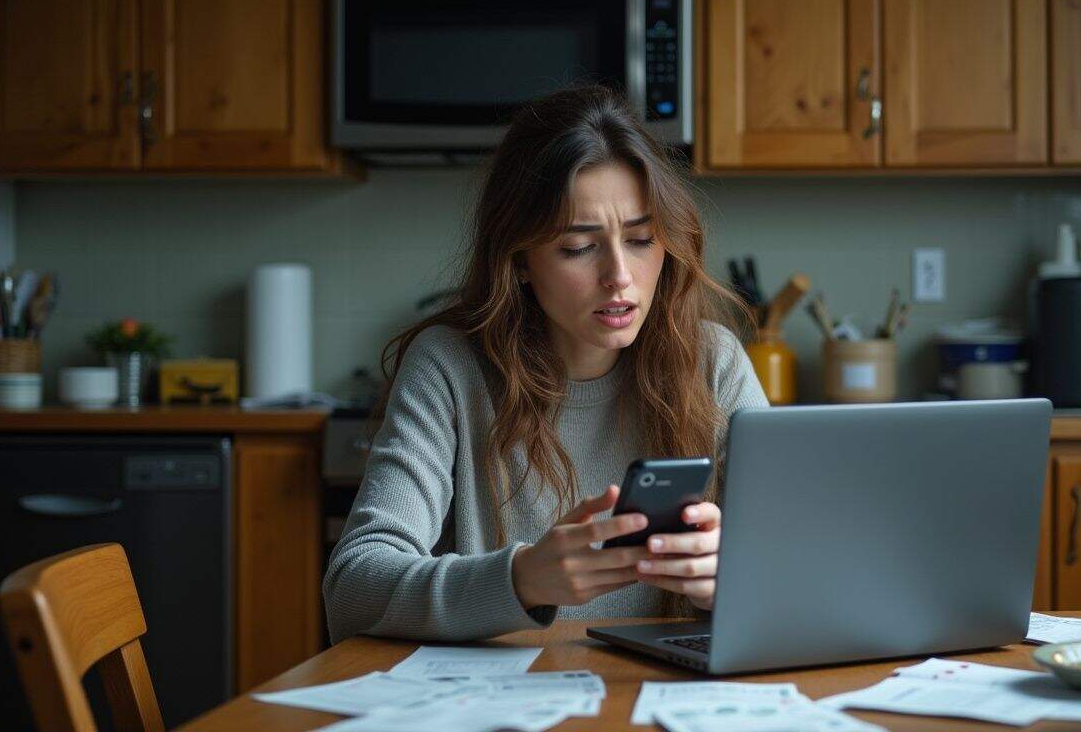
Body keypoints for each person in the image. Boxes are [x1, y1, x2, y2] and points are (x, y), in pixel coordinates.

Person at [323, 85, 768, 643]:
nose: (619, 277)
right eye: (578, 247)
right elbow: (352, 588)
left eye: (640, 239)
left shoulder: (714, 360)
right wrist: (521, 579)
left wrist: (730, 580)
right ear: (521, 261)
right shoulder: (449, 366)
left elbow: (804, 567)